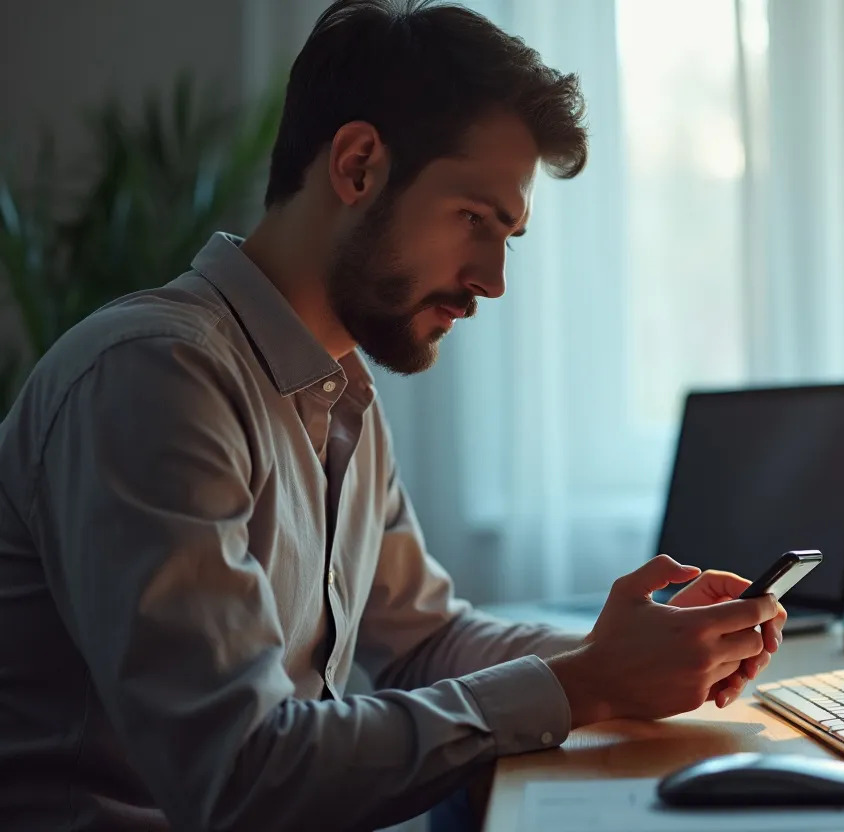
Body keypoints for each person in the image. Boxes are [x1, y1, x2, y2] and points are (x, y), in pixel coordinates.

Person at [0, 1, 787, 830]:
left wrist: (630, 655)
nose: (492, 280)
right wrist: (584, 683)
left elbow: (421, 642)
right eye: (473, 219)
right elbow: (239, 774)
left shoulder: (336, 394)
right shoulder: (154, 377)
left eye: (506, 235)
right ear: (359, 165)